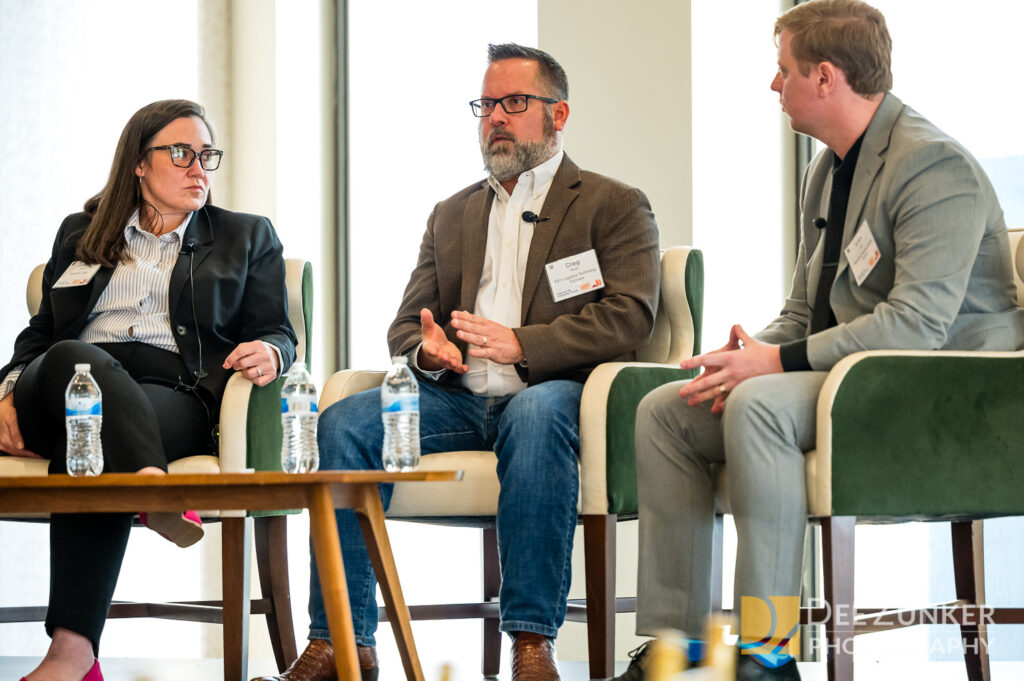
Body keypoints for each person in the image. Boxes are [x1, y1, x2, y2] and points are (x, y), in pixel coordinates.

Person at [617, 1, 1024, 680]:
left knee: (760, 406)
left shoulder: (933, 165)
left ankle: (766, 649)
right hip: (853, 377)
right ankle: (676, 646)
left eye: (784, 70)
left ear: (826, 77)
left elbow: (916, 325)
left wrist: (773, 365)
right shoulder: (827, 168)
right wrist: (744, 356)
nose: (773, 84)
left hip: (944, 393)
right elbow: (807, 311)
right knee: (669, 409)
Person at [254, 44, 660, 681]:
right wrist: (428, 352)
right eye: (486, 104)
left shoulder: (612, 203)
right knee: (343, 423)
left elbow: (630, 315)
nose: (495, 117)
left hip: (555, 391)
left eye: (514, 103)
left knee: (533, 414)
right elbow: (405, 327)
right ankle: (342, 642)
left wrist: (522, 344)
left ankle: (531, 643)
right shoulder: (452, 214)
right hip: (457, 398)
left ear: (558, 114)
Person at [0, 99, 297, 681]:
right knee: (76, 363)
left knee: (88, 440)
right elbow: (42, 333)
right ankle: (153, 486)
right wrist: (6, 391)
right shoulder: (82, 232)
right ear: (139, 162)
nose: (199, 168)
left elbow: (277, 330)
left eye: (206, 155)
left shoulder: (245, 236)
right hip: (60, 384)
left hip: (173, 394)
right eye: (182, 153)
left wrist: (272, 351)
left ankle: (71, 657)